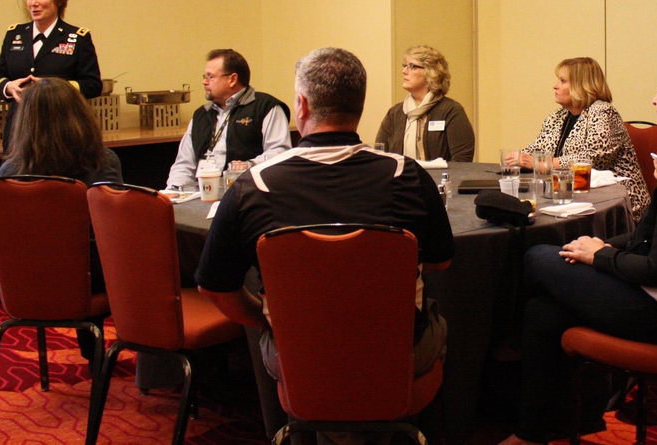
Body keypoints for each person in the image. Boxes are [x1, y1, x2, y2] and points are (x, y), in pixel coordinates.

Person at [196, 47, 454, 444]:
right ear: (361, 106)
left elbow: (215, 286)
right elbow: (439, 263)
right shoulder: (408, 177)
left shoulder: (254, 186)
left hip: (297, 358)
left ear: (301, 105)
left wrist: (267, 319)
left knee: (291, 343)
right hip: (396, 355)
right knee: (433, 318)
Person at [499, 52, 657, 445]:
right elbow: (652, 238)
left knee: (535, 257)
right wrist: (603, 244)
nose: (654, 100)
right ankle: (541, 429)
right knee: (542, 312)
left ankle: (493, 369)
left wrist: (599, 256)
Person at [0, 78, 122, 361]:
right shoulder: (103, 161)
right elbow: (114, 228)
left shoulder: (9, 170)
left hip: (23, 283)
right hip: (89, 280)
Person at [512, 57, 650, 220]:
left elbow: (592, 159)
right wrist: (518, 158)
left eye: (563, 81)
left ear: (582, 86)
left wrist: (544, 164)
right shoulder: (557, 116)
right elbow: (538, 149)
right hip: (573, 199)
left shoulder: (603, 112)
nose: (555, 85)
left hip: (616, 207)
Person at [0, 0, 102, 151]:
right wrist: (8, 87)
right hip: (19, 128)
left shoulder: (77, 37)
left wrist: (53, 87)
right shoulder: (14, 35)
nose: (34, 3)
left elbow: (93, 85)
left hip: (61, 128)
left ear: (57, 0)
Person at [165, 49, 291, 191]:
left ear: (232, 79)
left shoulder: (266, 107)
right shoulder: (201, 115)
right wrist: (173, 191)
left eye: (210, 77)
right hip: (201, 194)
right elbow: (184, 164)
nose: (204, 82)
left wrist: (250, 164)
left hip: (246, 192)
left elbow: (280, 153)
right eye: (204, 76)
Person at [375, 45, 475, 162]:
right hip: (401, 180)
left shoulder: (451, 111)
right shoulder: (395, 113)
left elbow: (462, 162)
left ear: (431, 73)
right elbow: (380, 157)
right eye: (405, 66)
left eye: (412, 66)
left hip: (439, 180)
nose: (404, 71)